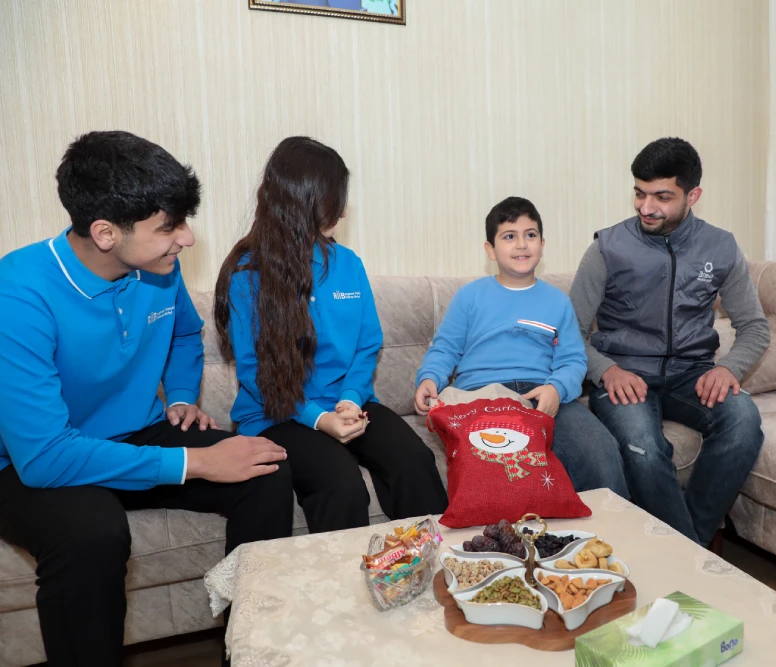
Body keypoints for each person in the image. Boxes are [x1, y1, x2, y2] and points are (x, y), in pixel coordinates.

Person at [0, 131, 293, 666]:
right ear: (105, 232)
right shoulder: (18, 294)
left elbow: (184, 334)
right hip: (32, 462)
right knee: (92, 533)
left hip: (132, 432)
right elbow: (45, 457)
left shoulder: (157, 270)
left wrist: (180, 395)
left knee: (264, 469)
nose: (187, 238)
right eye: (169, 226)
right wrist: (197, 462)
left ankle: (251, 652)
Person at [214, 136, 448, 533]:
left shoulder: (347, 263)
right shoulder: (248, 276)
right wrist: (319, 419)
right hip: (280, 413)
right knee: (341, 484)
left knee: (414, 461)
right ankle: (343, 575)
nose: (341, 208)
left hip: (347, 402)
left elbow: (367, 343)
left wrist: (350, 397)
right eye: (334, 196)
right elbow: (257, 375)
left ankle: (431, 561)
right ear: (302, 200)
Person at [570, 137, 769, 547]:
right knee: (642, 445)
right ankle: (693, 558)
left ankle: (684, 550)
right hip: (624, 376)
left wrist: (728, 369)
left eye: (662, 197)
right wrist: (606, 370)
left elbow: (755, 327)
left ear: (692, 196)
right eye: (639, 194)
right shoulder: (606, 248)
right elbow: (569, 332)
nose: (646, 207)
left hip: (691, 375)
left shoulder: (721, 247)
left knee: (744, 422)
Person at [414, 196, 630, 498]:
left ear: (542, 244)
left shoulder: (558, 301)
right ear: (490, 249)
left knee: (600, 450)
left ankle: (610, 525)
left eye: (530, 235)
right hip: (481, 394)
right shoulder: (469, 297)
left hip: (542, 392)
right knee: (497, 470)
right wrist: (429, 378)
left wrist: (556, 389)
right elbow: (445, 349)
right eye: (509, 237)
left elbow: (572, 360)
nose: (521, 245)